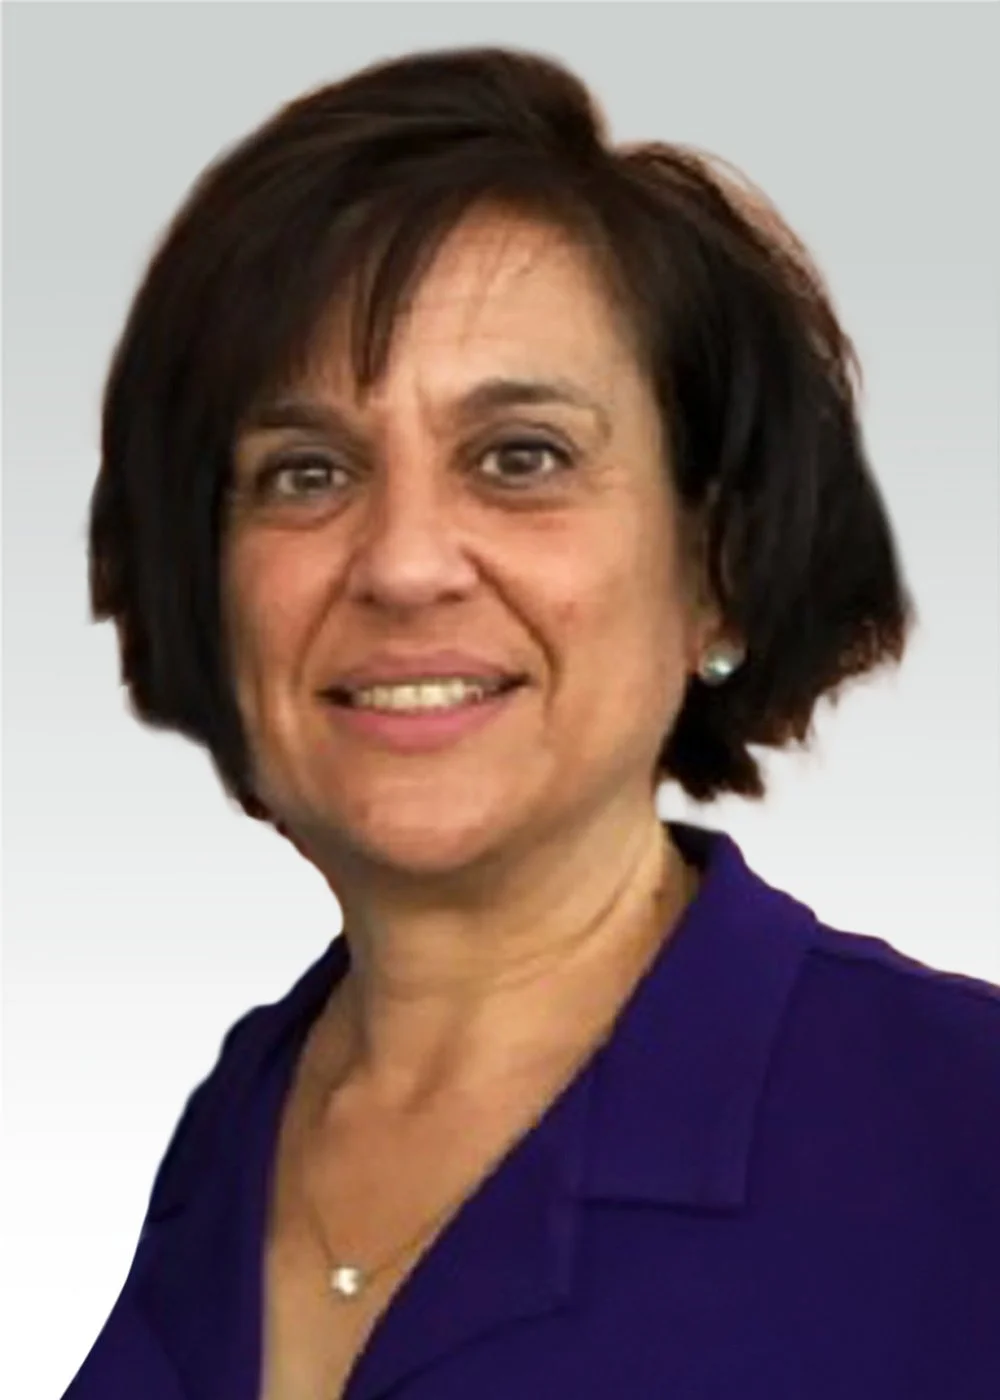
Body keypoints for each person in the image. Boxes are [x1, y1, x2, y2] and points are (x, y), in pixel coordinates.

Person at [63, 45, 999, 1400]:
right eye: (306, 472)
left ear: (718, 569)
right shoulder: (237, 1117)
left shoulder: (961, 1131)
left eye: (521, 458)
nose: (403, 563)